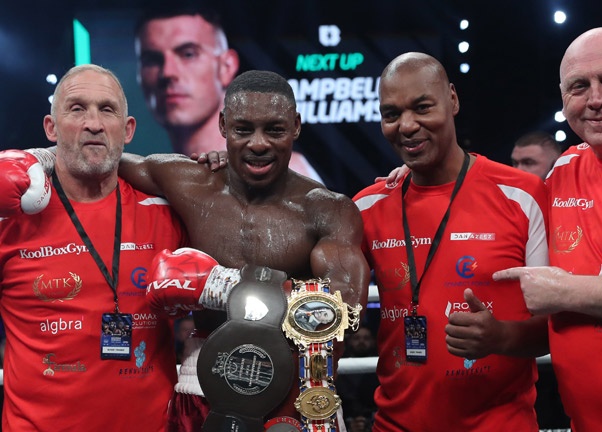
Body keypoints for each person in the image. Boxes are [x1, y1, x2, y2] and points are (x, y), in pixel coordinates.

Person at [117, 70, 370, 431]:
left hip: (296, 388)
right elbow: (104, 160)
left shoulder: (327, 209)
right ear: (222, 125)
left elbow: (342, 313)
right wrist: (39, 160)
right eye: (243, 129)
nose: (258, 143)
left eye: (275, 129)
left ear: (296, 126)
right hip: (203, 382)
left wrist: (219, 285)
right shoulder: (188, 181)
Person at [353, 52, 550, 431]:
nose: (407, 126)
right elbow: (326, 309)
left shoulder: (523, 196)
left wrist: (502, 337)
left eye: (422, 107)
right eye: (391, 114)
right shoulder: (367, 206)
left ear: (453, 100)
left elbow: (559, 326)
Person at [0, 64, 186, 431]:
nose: (94, 123)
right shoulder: (9, 222)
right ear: (50, 128)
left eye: (107, 109)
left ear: (128, 129)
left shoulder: (169, 215)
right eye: (76, 109)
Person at [493, 27, 602, 431]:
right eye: (579, 86)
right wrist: (418, 177)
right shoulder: (565, 169)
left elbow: (558, 290)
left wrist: (566, 291)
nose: (596, 99)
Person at [134, 5, 324, 183]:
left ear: (227, 67)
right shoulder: (152, 177)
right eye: (152, 60)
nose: (167, 72)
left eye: (188, 54)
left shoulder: (280, 169)